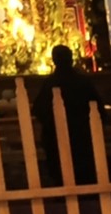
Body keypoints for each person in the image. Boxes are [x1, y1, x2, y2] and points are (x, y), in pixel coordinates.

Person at [35, 44, 101, 184]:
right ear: (71, 59)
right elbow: (98, 108)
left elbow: (38, 110)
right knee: (84, 174)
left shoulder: (49, 83)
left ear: (54, 60)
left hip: (56, 136)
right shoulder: (83, 82)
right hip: (82, 134)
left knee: (61, 174)